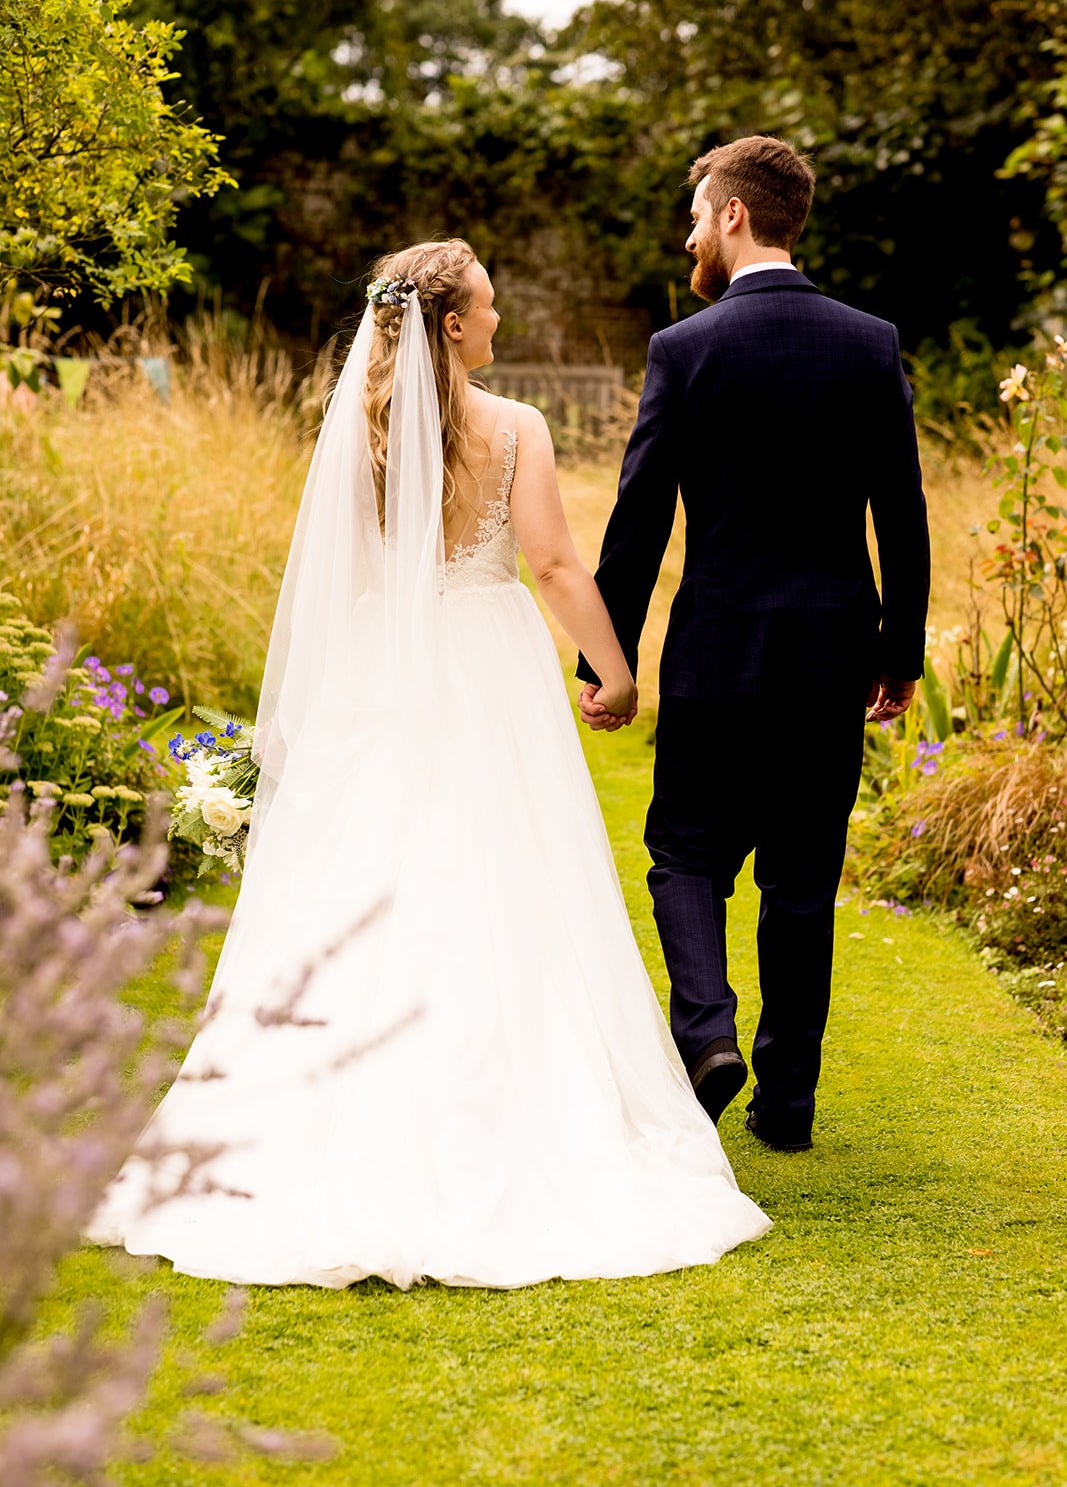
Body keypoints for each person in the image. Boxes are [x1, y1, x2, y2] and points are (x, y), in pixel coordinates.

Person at [87, 239, 771, 1290]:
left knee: (360, 879)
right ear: (451, 323)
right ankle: (501, 1112)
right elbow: (549, 562)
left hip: (378, 670)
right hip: (484, 666)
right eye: (488, 307)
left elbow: (344, 571)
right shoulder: (514, 428)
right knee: (501, 875)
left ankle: (316, 1111)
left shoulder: (358, 434)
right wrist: (613, 669)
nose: (498, 322)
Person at [578, 136, 930, 1153]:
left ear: (733, 215)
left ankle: (705, 1032)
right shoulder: (868, 342)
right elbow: (899, 516)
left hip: (716, 654)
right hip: (827, 654)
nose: (688, 233)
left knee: (683, 854)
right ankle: (787, 1104)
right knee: (801, 880)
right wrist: (896, 653)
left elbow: (637, 518)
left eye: (696, 212)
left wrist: (608, 661)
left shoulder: (683, 351)